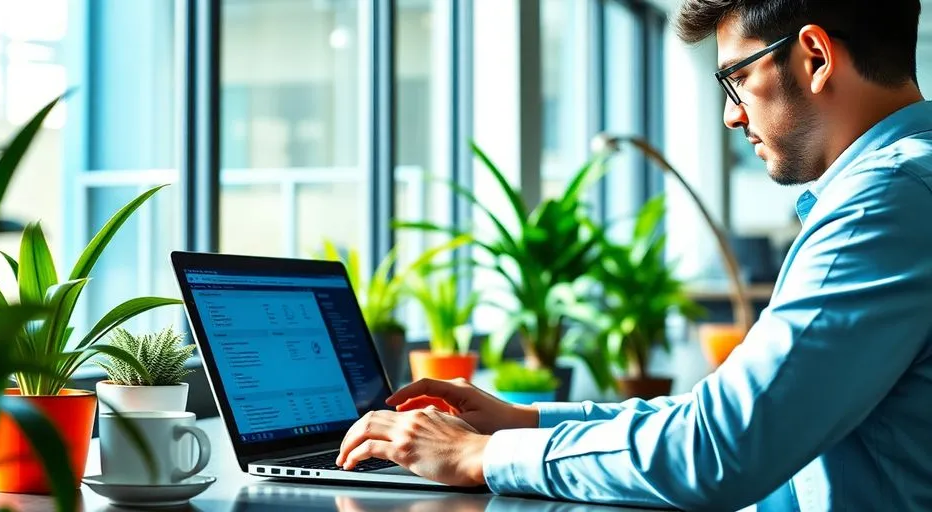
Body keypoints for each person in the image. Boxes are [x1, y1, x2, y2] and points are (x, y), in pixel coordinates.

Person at [337, 0, 932, 509]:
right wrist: (524, 421)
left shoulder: (882, 204)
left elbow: (721, 447)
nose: (732, 114)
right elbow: (724, 414)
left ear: (815, 57)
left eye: (737, 78)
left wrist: (480, 455)